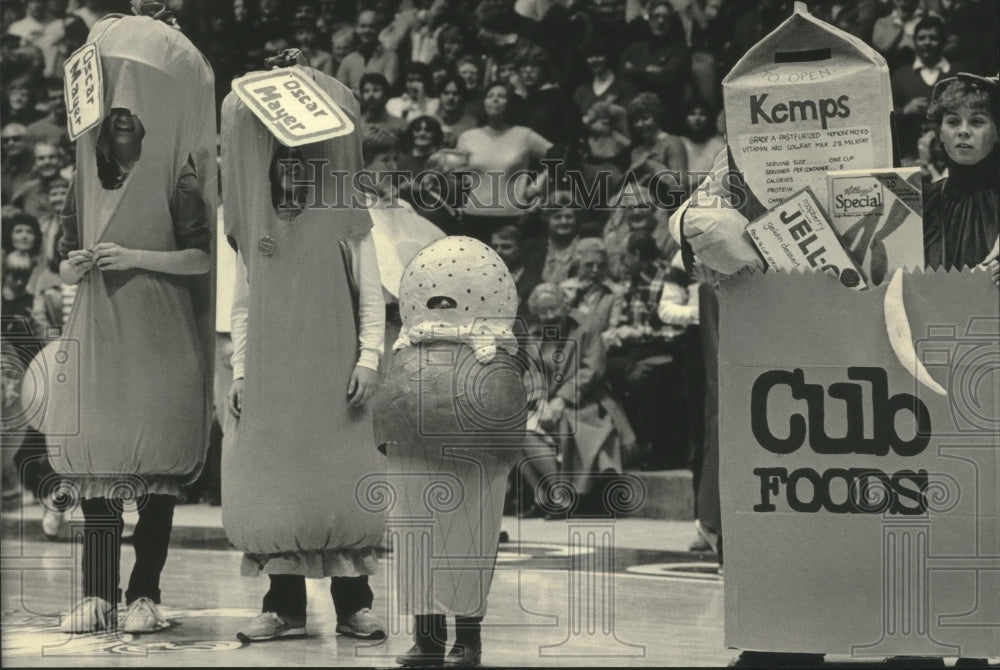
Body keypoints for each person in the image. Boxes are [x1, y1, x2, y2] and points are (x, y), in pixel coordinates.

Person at [44, 15, 216, 634]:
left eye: (132, 108)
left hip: (162, 326)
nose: (122, 115)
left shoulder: (179, 172)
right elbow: (61, 265)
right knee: (99, 456)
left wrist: (135, 256)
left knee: (158, 468)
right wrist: (79, 261)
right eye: (114, 106)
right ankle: (97, 594)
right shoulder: (80, 177)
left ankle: (144, 594)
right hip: (99, 325)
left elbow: (201, 258)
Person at [221, 60, 387, 644]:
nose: (290, 171)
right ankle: (283, 608)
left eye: (300, 162)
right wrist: (240, 373)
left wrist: (369, 360)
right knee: (280, 489)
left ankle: (355, 607)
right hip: (271, 379)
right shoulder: (252, 230)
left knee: (338, 488)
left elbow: (372, 299)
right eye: (280, 163)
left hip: (337, 378)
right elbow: (241, 309)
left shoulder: (349, 224)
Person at [374, 236, 526, 668]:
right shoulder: (409, 345)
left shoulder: (495, 349)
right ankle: (427, 638)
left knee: (469, 538)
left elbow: (505, 413)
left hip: (476, 454)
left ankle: (468, 640)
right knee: (414, 537)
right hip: (412, 449)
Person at [456, 82, 552, 243]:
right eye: (490, 96)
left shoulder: (524, 135)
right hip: (474, 218)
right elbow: (457, 177)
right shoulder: (467, 137)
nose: (495, 100)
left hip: (513, 218)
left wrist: (538, 184)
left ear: (510, 103)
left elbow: (559, 157)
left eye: (501, 96)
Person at [923, 73, 999, 276]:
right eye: (953, 122)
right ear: (940, 132)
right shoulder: (923, 201)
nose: (963, 131)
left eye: (976, 121)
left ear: (997, 132)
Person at [337, 8, 399, 95]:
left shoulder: (390, 58)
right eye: (363, 26)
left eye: (371, 26)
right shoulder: (348, 60)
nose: (367, 30)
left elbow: (386, 89)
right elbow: (339, 90)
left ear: (379, 29)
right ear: (356, 28)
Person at [359, 72, 409, 137]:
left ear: (385, 95)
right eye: (366, 91)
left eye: (376, 90)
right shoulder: (357, 126)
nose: (371, 95)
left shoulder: (400, 125)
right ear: (362, 96)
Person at [435, 74, 477, 148]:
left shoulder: (471, 125)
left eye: (455, 94)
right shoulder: (432, 121)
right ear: (439, 96)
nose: (450, 97)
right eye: (446, 93)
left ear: (462, 97)